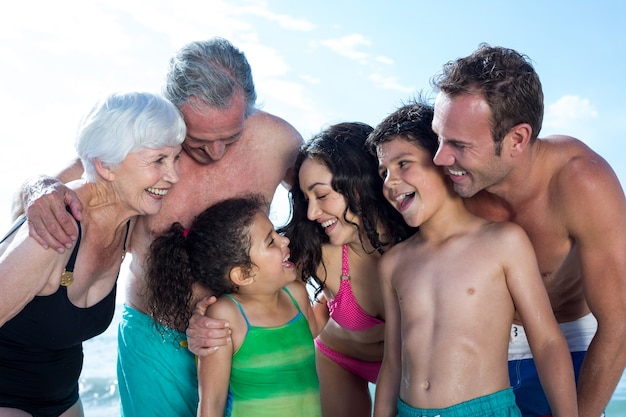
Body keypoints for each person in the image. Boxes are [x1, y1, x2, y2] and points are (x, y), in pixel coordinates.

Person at [17, 38, 303, 416]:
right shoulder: (140, 138)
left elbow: (329, 200)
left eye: (229, 138)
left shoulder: (278, 141)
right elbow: (40, 195)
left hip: (245, 339)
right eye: (198, 140)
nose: (215, 153)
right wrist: (37, 188)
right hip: (153, 335)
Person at [430, 44, 626, 417]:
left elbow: (619, 324)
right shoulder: (452, 181)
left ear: (517, 139)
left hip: (570, 343)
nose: (439, 157)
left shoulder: (582, 184)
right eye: (439, 136)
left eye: (458, 144)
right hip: (484, 345)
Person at [367, 100, 577, 417]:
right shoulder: (393, 264)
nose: (390, 182)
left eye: (403, 164)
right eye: (384, 172)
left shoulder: (503, 242)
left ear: (443, 161)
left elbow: (547, 342)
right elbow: (393, 363)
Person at [0, 91, 185, 417]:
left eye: (176, 158)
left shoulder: (129, 223)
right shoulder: (58, 227)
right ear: (106, 166)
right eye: (158, 160)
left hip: (64, 396)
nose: (173, 175)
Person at [279, 122, 414, 417]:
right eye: (306, 199)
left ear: (359, 184)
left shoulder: (419, 248)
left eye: (322, 195)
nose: (312, 213)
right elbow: (248, 280)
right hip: (338, 359)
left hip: (408, 371)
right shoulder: (319, 253)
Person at [145, 195, 322, 417]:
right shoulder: (226, 315)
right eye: (271, 241)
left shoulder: (296, 294)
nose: (284, 241)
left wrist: (335, 297)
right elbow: (211, 405)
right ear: (243, 274)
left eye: (276, 233)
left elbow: (308, 333)